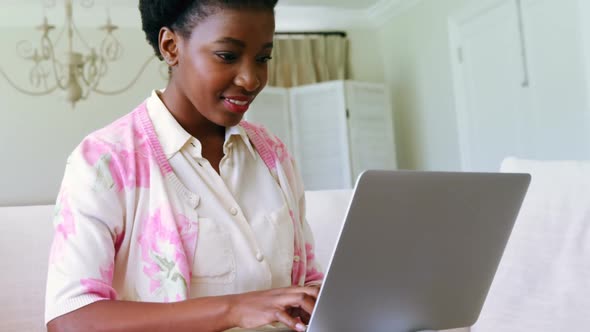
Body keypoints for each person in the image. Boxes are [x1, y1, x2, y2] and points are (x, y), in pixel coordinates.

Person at [44, 1, 324, 331]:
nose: (251, 79)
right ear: (171, 46)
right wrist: (233, 310)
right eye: (228, 56)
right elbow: (69, 321)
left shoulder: (273, 155)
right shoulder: (105, 161)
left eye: (263, 58)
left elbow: (307, 284)